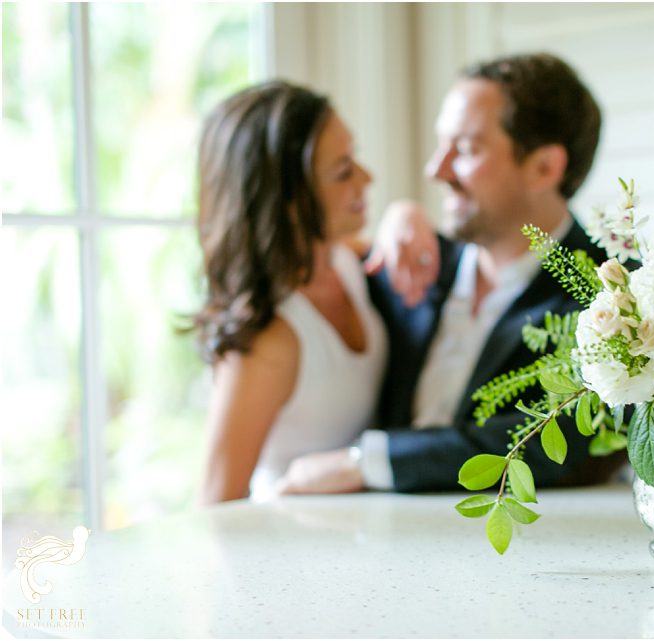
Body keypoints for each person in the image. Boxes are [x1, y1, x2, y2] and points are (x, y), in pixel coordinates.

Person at [277, 53, 625, 494]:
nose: (435, 170)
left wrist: (366, 463)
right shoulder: (415, 263)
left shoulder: (610, 298)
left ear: (544, 167)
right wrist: (398, 215)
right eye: (441, 145)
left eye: (464, 149)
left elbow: (562, 441)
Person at [194, 80, 436, 503]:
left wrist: (405, 212)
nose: (367, 177)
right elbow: (215, 504)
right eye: (343, 171)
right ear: (288, 201)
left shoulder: (341, 261)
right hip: (293, 556)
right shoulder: (269, 343)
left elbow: (390, 244)